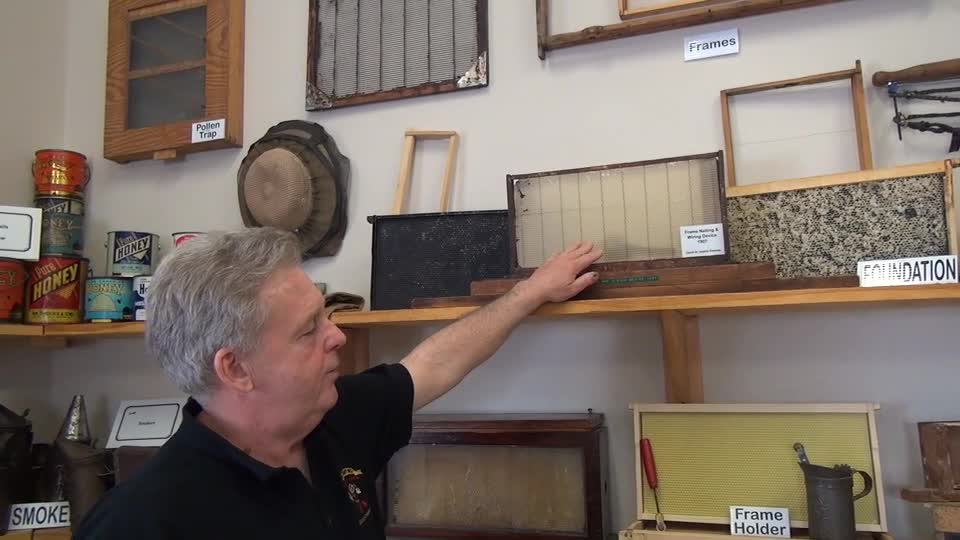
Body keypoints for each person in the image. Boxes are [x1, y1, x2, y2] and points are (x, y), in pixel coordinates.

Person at [76, 227, 602, 539]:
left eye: (325, 315)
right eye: (309, 330)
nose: (338, 337)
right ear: (235, 369)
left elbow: (436, 363)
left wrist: (531, 292)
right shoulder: (142, 522)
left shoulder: (333, 417)